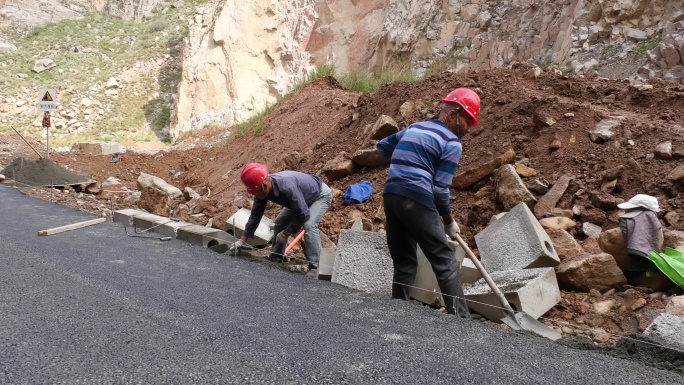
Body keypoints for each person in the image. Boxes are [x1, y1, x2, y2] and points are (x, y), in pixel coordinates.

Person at [376, 87, 481, 318]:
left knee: (404, 262)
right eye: (467, 120)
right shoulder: (452, 142)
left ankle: (396, 314)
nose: (468, 128)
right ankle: (461, 321)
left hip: (391, 194)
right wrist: (448, 221)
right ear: (453, 113)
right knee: (445, 261)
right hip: (417, 198)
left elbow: (382, 147)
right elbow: (439, 189)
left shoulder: (415, 128)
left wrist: (402, 165)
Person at [229, 163, 333, 278]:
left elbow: (303, 214)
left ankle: (316, 267)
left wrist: (286, 233)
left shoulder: (286, 187)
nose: (255, 195)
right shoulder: (262, 191)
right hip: (301, 198)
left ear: (265, 186)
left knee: (309, 225)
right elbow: (255, 216)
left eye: (255, 192)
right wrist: (242, 240)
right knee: (279, 223)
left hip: (319, 195)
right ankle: (276, 257)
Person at [617, 194, 663, 285]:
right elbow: (658, 227)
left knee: (637, 266)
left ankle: (637, 284)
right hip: (645, 250)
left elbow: (624, 230)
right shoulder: (651, 216)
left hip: (635, 248)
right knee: (642, 266)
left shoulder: (643, 216)